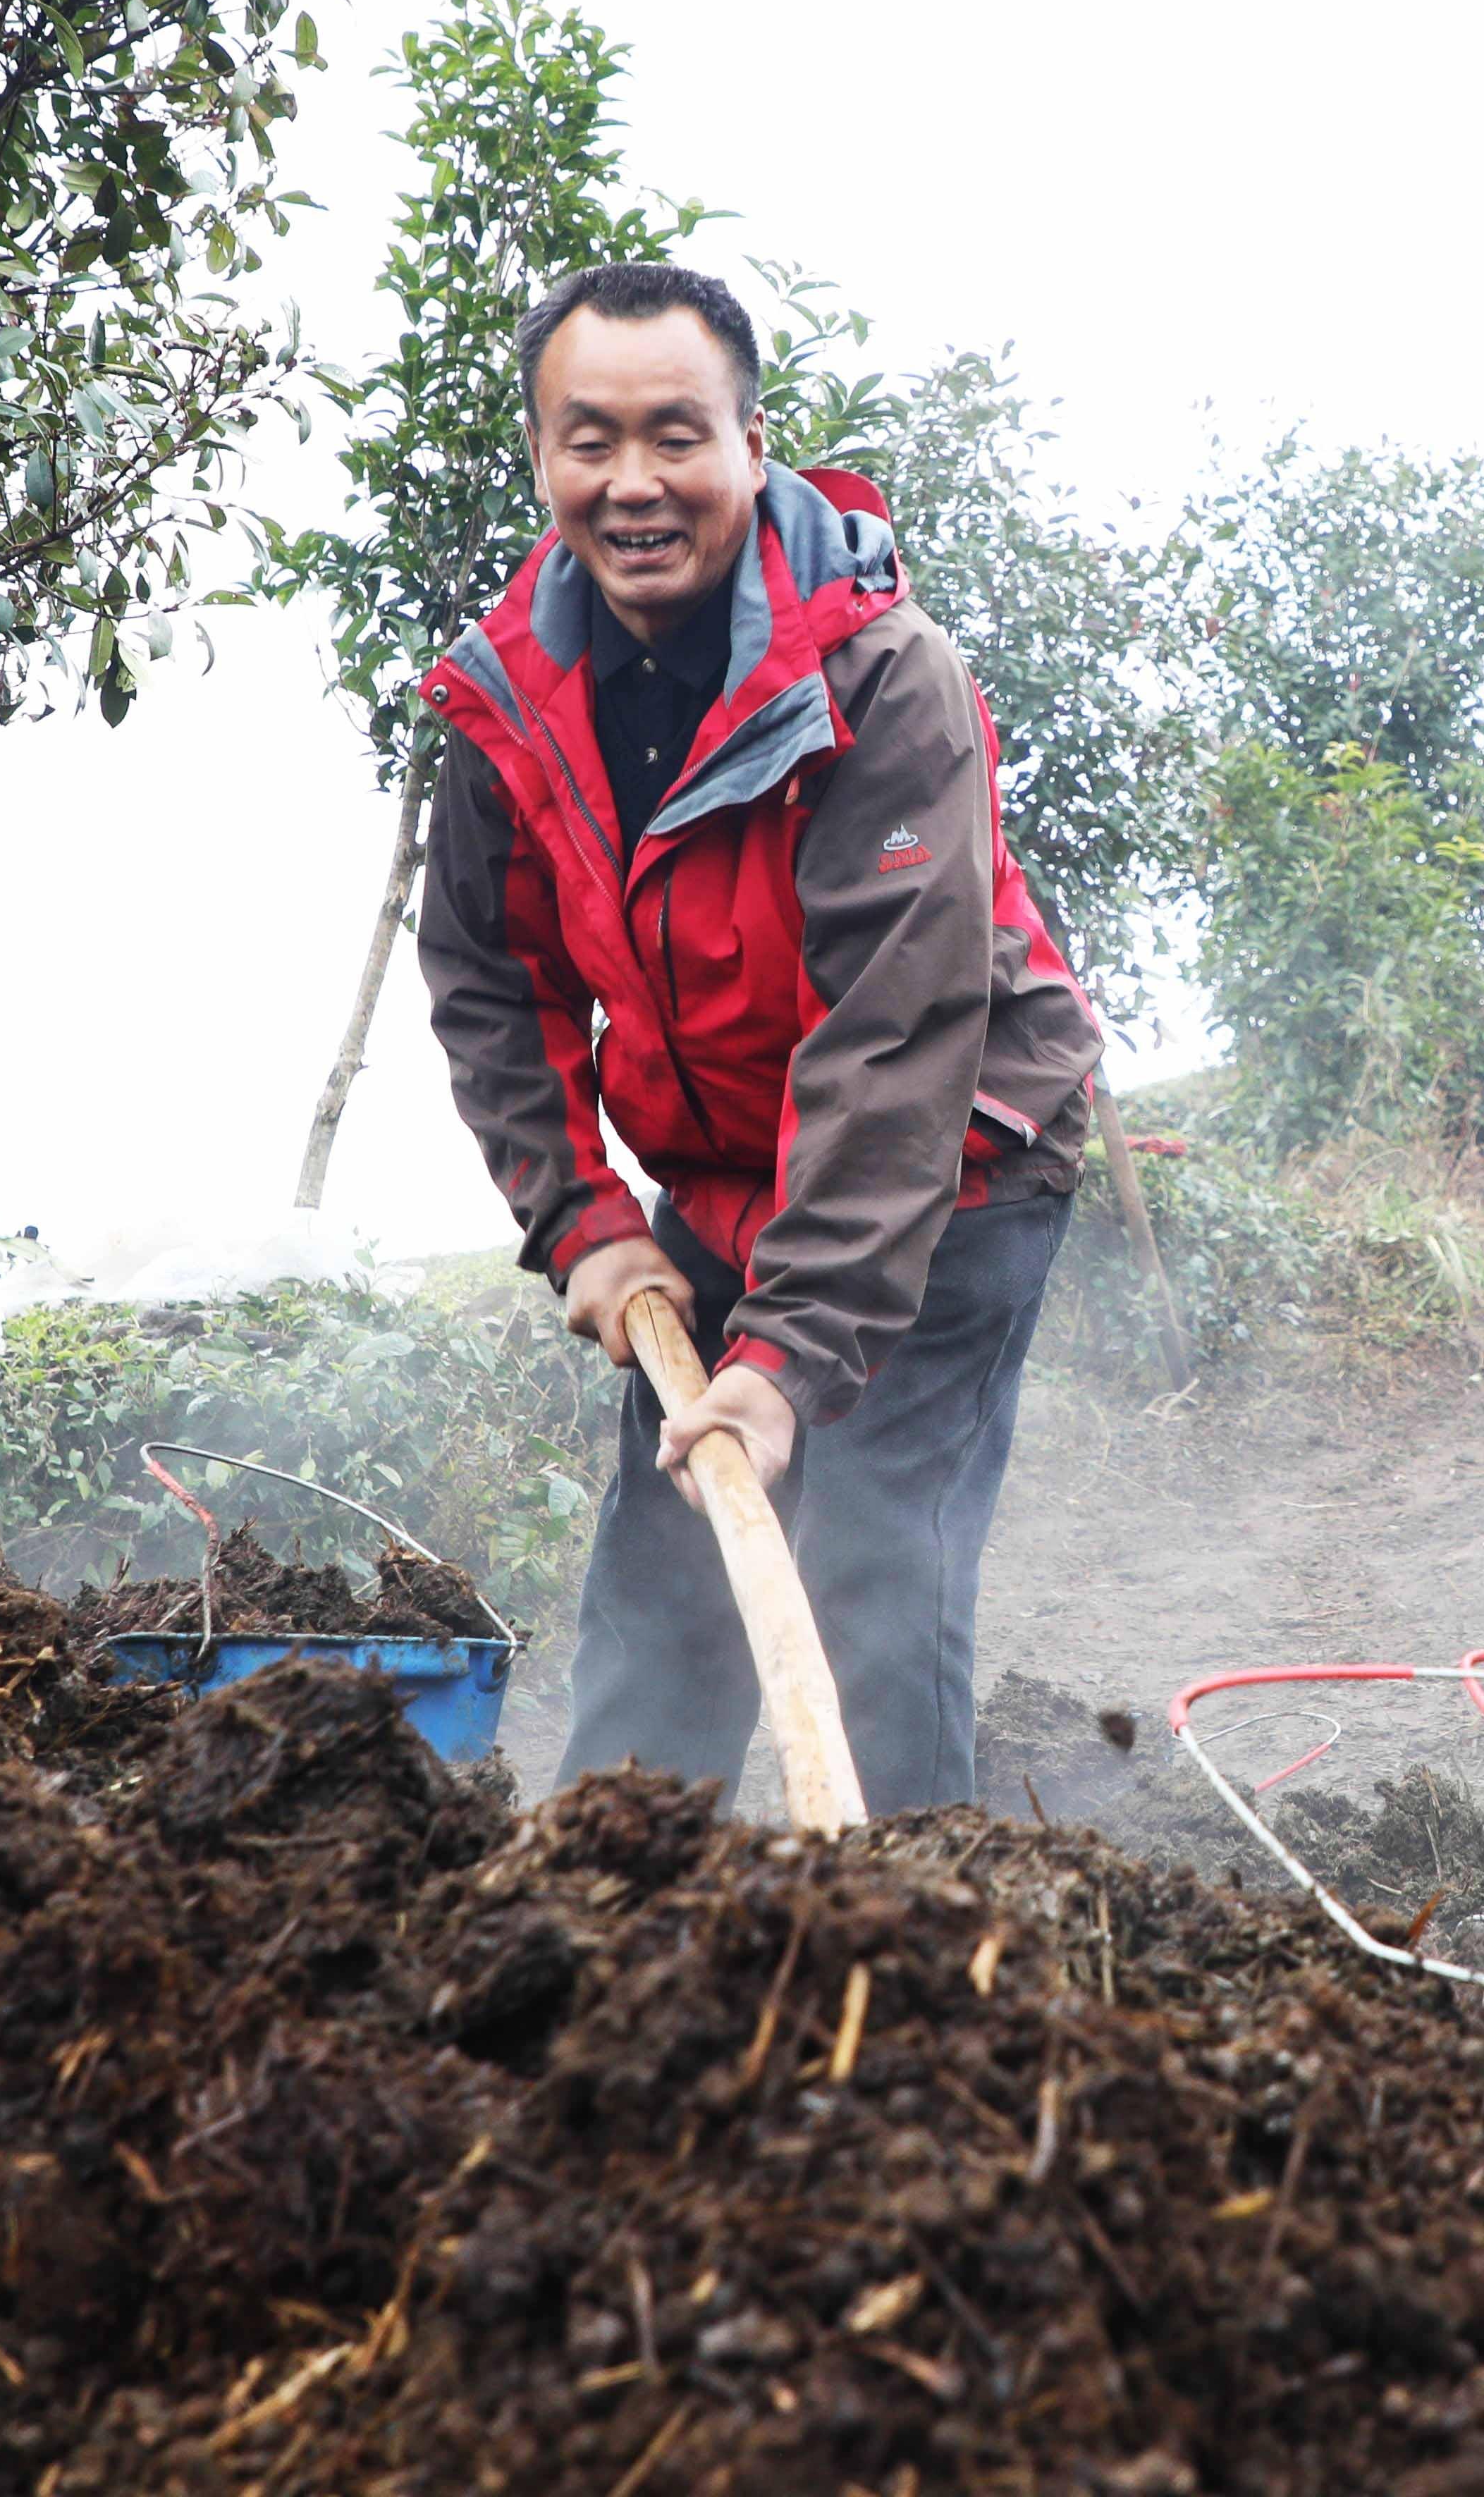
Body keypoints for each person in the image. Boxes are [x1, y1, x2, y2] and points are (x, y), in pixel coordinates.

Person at [417, 259, 1102, 1812]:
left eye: (679, 435)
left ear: (753, 442)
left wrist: (788, 1358)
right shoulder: (518, 697)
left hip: (961, 1156)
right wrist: (584, 1222)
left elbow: (898, 1036)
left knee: (868, 1558)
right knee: (665, 1569)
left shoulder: (875, 676)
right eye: (589, 439)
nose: (635, 481)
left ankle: (917, 1940)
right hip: (725, 1167)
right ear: (541, 459)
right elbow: (486, 969)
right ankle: (602, 1916)